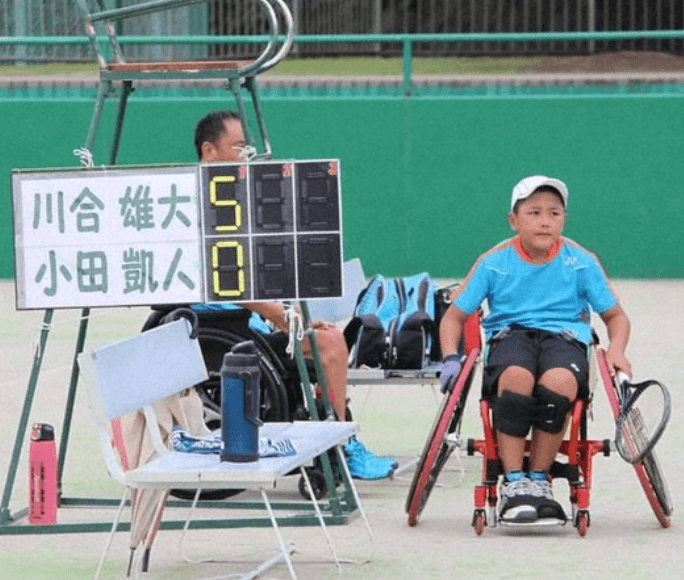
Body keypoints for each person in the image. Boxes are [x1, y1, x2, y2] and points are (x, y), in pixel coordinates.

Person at [193, 109, 397, 480]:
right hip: (219, 332)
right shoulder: (192, 204)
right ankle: (338, 445)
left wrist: (288, 313)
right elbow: (220, 280)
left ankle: (331, 433)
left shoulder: (235, 199)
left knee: (329, 336)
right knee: (330, 346)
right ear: (209, 150)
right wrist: (277, 315)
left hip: (248, 325)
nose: (245, 155)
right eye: (238, 147)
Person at [439, 175, 631, 523]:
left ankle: (539, 482)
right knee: (515, 377)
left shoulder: (581, 262)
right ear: (514, 220)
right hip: (511, 336)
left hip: (565, 339)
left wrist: (616, 350)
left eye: (555, 213)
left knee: (559, 384)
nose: (545, 221)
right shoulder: (493, 263)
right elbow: (453, 318)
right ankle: (514, 483)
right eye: (535, 212)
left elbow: (616, 317)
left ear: (563, 220)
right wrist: (452, 358)